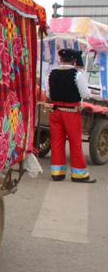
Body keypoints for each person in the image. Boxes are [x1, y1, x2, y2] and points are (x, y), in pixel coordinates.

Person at [43, 48, 96, 183]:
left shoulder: (52, 73)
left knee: (57, 142)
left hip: (56, 112)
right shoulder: (77, 74)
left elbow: (49, 94)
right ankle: (79, 174)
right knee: (75, 143)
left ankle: (57, 172)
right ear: (74, 60)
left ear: (60, 59)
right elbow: (85, 94)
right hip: (71, 112)